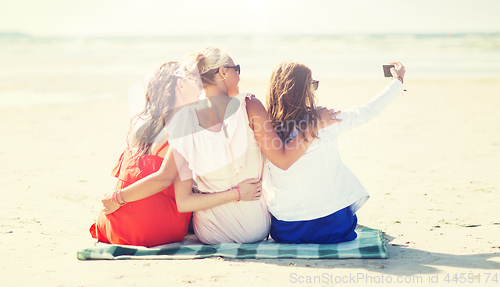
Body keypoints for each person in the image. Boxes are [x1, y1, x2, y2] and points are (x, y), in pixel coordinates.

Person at [101, 47, 341, 245]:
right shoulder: (250, 105)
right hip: (254, 231)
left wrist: (119, 197)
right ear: (223, 73)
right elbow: (283, 160)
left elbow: (182, 201)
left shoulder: (184, 120)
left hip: (210, 235)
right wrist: (314, 124)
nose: (240, 76)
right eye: (237, 70)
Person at [264, 61, 406, 244]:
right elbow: (368, 111)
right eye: (313, 84)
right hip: (332, 229)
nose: (315, 89)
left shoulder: (265, 130)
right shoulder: (324, 121)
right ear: (303, 91)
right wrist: (398, 81)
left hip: (286, 231)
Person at [90, 61, 201, 247]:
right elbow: (162, 178)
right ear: (180, 85)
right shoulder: (182, 126)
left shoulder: (140, 125)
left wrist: (116, 197)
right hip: (156, 228)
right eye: (195, 81)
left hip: (115, 225)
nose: (200, 87)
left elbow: (131, 176)